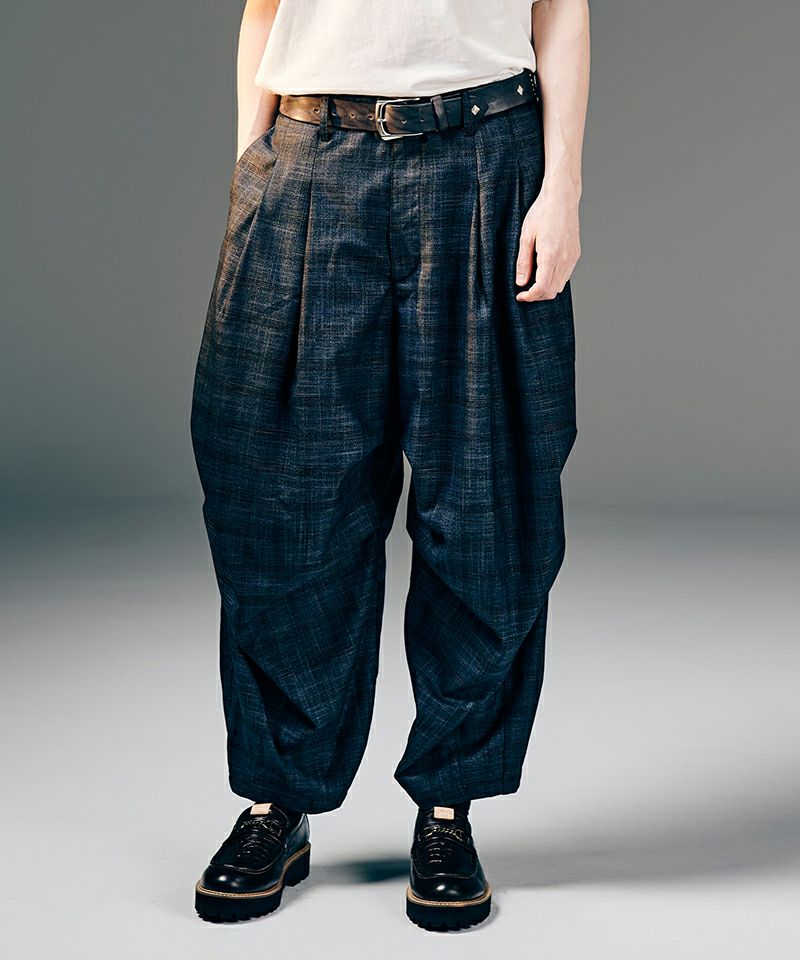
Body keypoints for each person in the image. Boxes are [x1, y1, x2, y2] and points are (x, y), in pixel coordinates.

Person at [190, 0, 590, 931]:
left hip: (486, 156)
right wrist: (252, 165)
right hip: (311, 157)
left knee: (487, 503)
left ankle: (449, 808)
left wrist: (563, 185)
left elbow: (562, 11)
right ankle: (278, 799)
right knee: (282, 499)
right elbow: (264, 10)